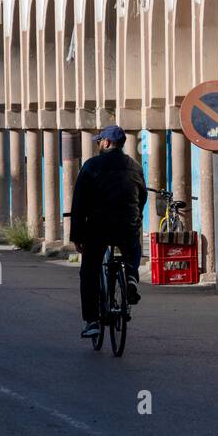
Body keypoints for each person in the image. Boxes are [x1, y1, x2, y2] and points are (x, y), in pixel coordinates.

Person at [70, 125, 147, 340]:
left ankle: (92, 321)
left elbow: (79, 204)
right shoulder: (134, 166)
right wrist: (136, 218)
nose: (98, 144)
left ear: (105, 143)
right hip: (127, 224)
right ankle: (131, 276)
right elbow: (142, 197)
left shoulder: (91, 166)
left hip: (98, 227)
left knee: (89, 270)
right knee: (132, 249)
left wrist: (77, 235)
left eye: (99, 141)